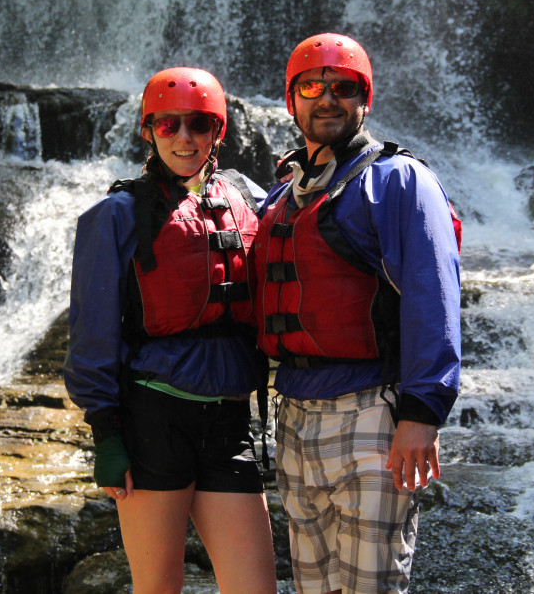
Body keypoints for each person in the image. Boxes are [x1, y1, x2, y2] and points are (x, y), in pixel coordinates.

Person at [251, 34, 461, 594]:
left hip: (373, 412)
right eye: (312, 87)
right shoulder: (281, 195)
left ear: (364, 99)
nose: (327, 99)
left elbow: (432, 295)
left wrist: (423, 412)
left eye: (343, 88)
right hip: (293, 414)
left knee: (371, 586)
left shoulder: (397, 180)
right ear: (291, 100)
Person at [63, 67, 278, 594]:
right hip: (151, 421)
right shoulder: (117, 215)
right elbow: (92, 333)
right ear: (148, 131)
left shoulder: (249, 201)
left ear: (218, 132)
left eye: (199, 125)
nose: (185, 138)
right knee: (158, 585)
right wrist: (105, 432)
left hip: (229, 422)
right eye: (169, 125)